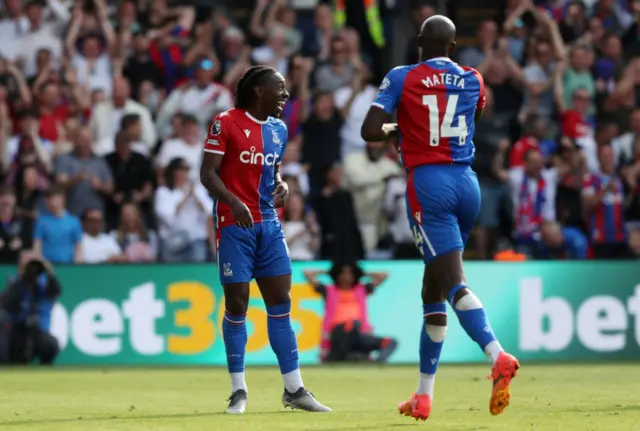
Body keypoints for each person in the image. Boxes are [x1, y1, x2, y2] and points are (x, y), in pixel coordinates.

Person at [360, 15, 519, 421]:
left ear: (418, 43)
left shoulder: (402, 76)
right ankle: (423, 395)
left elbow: (370, 130)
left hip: (428, 184)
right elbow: (472, 119)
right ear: (452, 47)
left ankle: (497, 355)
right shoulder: (474, 79)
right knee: (432, 289)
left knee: (451, 282)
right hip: (467, 183)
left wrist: (402, 124)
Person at [200, 65, 330, 415]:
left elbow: (271, 171)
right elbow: (207, 173)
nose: (285, 95)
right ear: (259, 90)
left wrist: (282, 183)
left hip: (269, 226)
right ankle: (238, 390)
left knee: (280, 301)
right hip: (234, 225)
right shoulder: (225, 122)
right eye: (280, 88)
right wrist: (233, 202)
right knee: (238, 304)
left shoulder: (278, 129)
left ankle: (295, 389)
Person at [303, 262, 397, 363]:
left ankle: (376, 363)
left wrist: (360, 273)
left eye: (350, 273)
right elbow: (307, 273)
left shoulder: (362, 289)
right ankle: (341, 357)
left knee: (391, 342)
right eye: (343, 273)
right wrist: (330, 272)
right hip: (339, 333)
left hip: (359, 333)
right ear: (337, 275)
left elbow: (384, 275)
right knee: (348, 329)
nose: (347, 276)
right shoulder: (328, 290)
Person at [0, 251, 61, 365]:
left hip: (37, 330)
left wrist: (50, 272)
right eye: (26, 263)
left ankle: (45, 367)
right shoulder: (14, 281)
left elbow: (55, 292)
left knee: (51, 344)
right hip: (15, 331)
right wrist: (21, 278)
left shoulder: (43, 285)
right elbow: (6, 302)